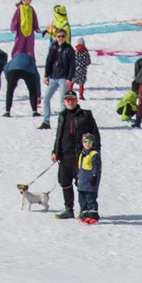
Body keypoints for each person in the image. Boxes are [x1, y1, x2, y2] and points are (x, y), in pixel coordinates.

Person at [50, 90, 99, 220]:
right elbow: (59, 135)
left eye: (72, 100)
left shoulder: (85, 115)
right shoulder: (62, 116)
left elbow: (95, 134)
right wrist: (55, 151)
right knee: (64, 182)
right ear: (64, 101)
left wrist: (95, 152)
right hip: (64, 155)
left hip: (80, 156)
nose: (70, 102)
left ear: (76, 101)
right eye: (67, 100)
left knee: (82, 184)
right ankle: (68, 209)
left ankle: (85, 210)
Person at [5, 0, 41, 120]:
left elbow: (34, 19)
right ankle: (18, 57)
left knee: (30, 46)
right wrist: (13, 27)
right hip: (21, 31)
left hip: (29, 32)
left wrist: (36, 27)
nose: (29, 2)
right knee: (19, 45)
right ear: (24, 0)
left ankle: (28, 58)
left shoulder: (31, 9)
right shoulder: (19, 9)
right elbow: (15, 19)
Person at [42, 28, 76, 128]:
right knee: (46, 98)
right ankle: (46, 121)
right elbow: (48, 61)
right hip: (53, 76)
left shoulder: (69, 49)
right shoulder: (53, 47)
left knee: (62, 100)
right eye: (59, 36)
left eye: (62, 36)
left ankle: (63, 123)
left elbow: (72, 65)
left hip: (63, 77)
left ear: (65, 37)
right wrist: (46, 75)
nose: (60, 38)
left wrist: (69, 78)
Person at [76, 132, 102, 223]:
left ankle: (93, 216)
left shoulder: (94, 154)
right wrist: (78, 178)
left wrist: (94, 176)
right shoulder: (82, 154)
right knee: (82, 199)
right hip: (82, 181)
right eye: (85, 142)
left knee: (90, 199)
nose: (87, 144)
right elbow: (80, 168)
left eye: (89, 141)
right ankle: (85, 215)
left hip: (90, 181)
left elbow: (96, 166)